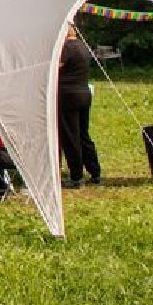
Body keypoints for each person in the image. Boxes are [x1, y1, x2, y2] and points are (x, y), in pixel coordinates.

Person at [57, 24, 102, 188]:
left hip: (68, 96)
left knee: (71, 136)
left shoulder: (66, 48)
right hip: (84, 92)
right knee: (83, 134)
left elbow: (55, 68)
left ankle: (76, 176)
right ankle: (95, 172)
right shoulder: (83, 46)